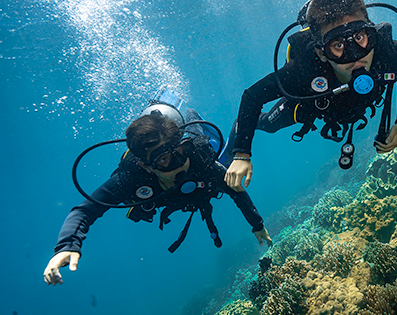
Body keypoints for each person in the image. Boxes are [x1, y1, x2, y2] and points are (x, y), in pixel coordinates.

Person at [222, 0, 397, 189]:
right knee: (268, 126)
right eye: (338, 45)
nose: (355, 57)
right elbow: (252, 95)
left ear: (372, 35)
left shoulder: (386, 51)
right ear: (321, 53)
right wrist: (241, 154)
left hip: (347, 105)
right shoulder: (303, 70)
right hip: (311, 106)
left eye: (360, 37)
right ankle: (239, 125)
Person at [44, 109, 272, 286]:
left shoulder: (199, 156)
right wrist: (67, 246)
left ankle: (234, 126)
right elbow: (84, 211)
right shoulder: (132, 177)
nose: (179, 163)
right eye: (164, 160)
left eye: (179, 151)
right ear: (146, 165)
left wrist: (257, 225)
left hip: (204, 179)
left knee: (225, 165)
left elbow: (235, 189)